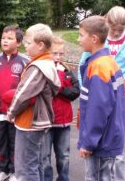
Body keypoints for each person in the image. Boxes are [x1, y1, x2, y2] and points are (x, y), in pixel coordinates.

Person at [78, 6, 125, 179]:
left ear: (93, 38)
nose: (78, 40)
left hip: (101, 142)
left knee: (98, 176)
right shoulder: (104, 63)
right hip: (106, 137)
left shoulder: (100, 67)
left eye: (81, 35)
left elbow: (97, 110)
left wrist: (88, 143)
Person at [6, 23, 60, 181]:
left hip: (29, 122)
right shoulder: (48, 63)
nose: (25, 47)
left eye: (28, 43)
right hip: (38, 121)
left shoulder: (37, 67)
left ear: (41, 45)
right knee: (35, 164)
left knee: (25, 168)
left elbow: (23, 94)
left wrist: (11, 112)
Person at [0, 25, 28, 181]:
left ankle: (15, 171)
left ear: (19, 43)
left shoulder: (25, 62)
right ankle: (3, 170)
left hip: (16, 114)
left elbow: (28, 88)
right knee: (1, 143)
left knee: (15, 144)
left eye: (10, 38)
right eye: (3, 38)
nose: (5, 41)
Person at [43, 36, 80, 181]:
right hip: (46, 121)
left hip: (63, 122)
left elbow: (75, 92)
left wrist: (59, 89)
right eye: (54, 53)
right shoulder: (43, 69)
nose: (58, 57)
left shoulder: (66, 71)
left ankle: (63, 178)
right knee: (44, 156)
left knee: (63, 155)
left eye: (61, 53)